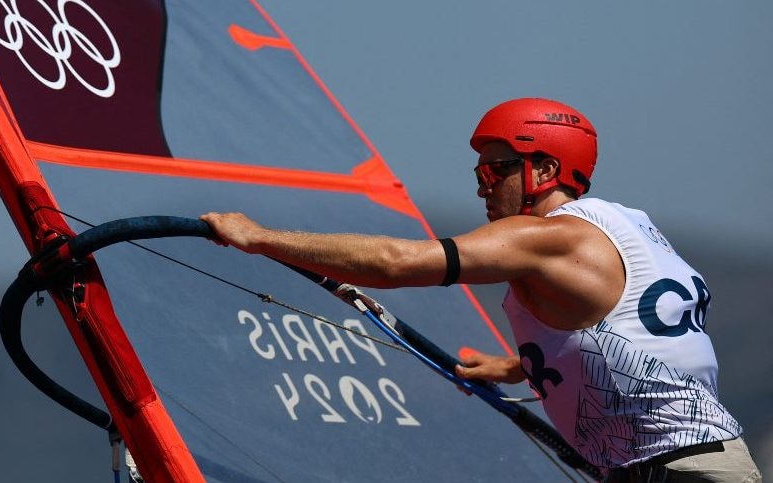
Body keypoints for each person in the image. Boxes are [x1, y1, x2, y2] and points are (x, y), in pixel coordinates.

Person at [201, 97, 761, 483]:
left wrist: (259, 238)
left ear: (543, 171)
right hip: (685, 463)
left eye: (495, 171)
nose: (480, 187)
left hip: (684, 471)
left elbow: (398, 264)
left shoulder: (546, 239)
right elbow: (638, 333)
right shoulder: (631, 227)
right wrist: (527, 364)